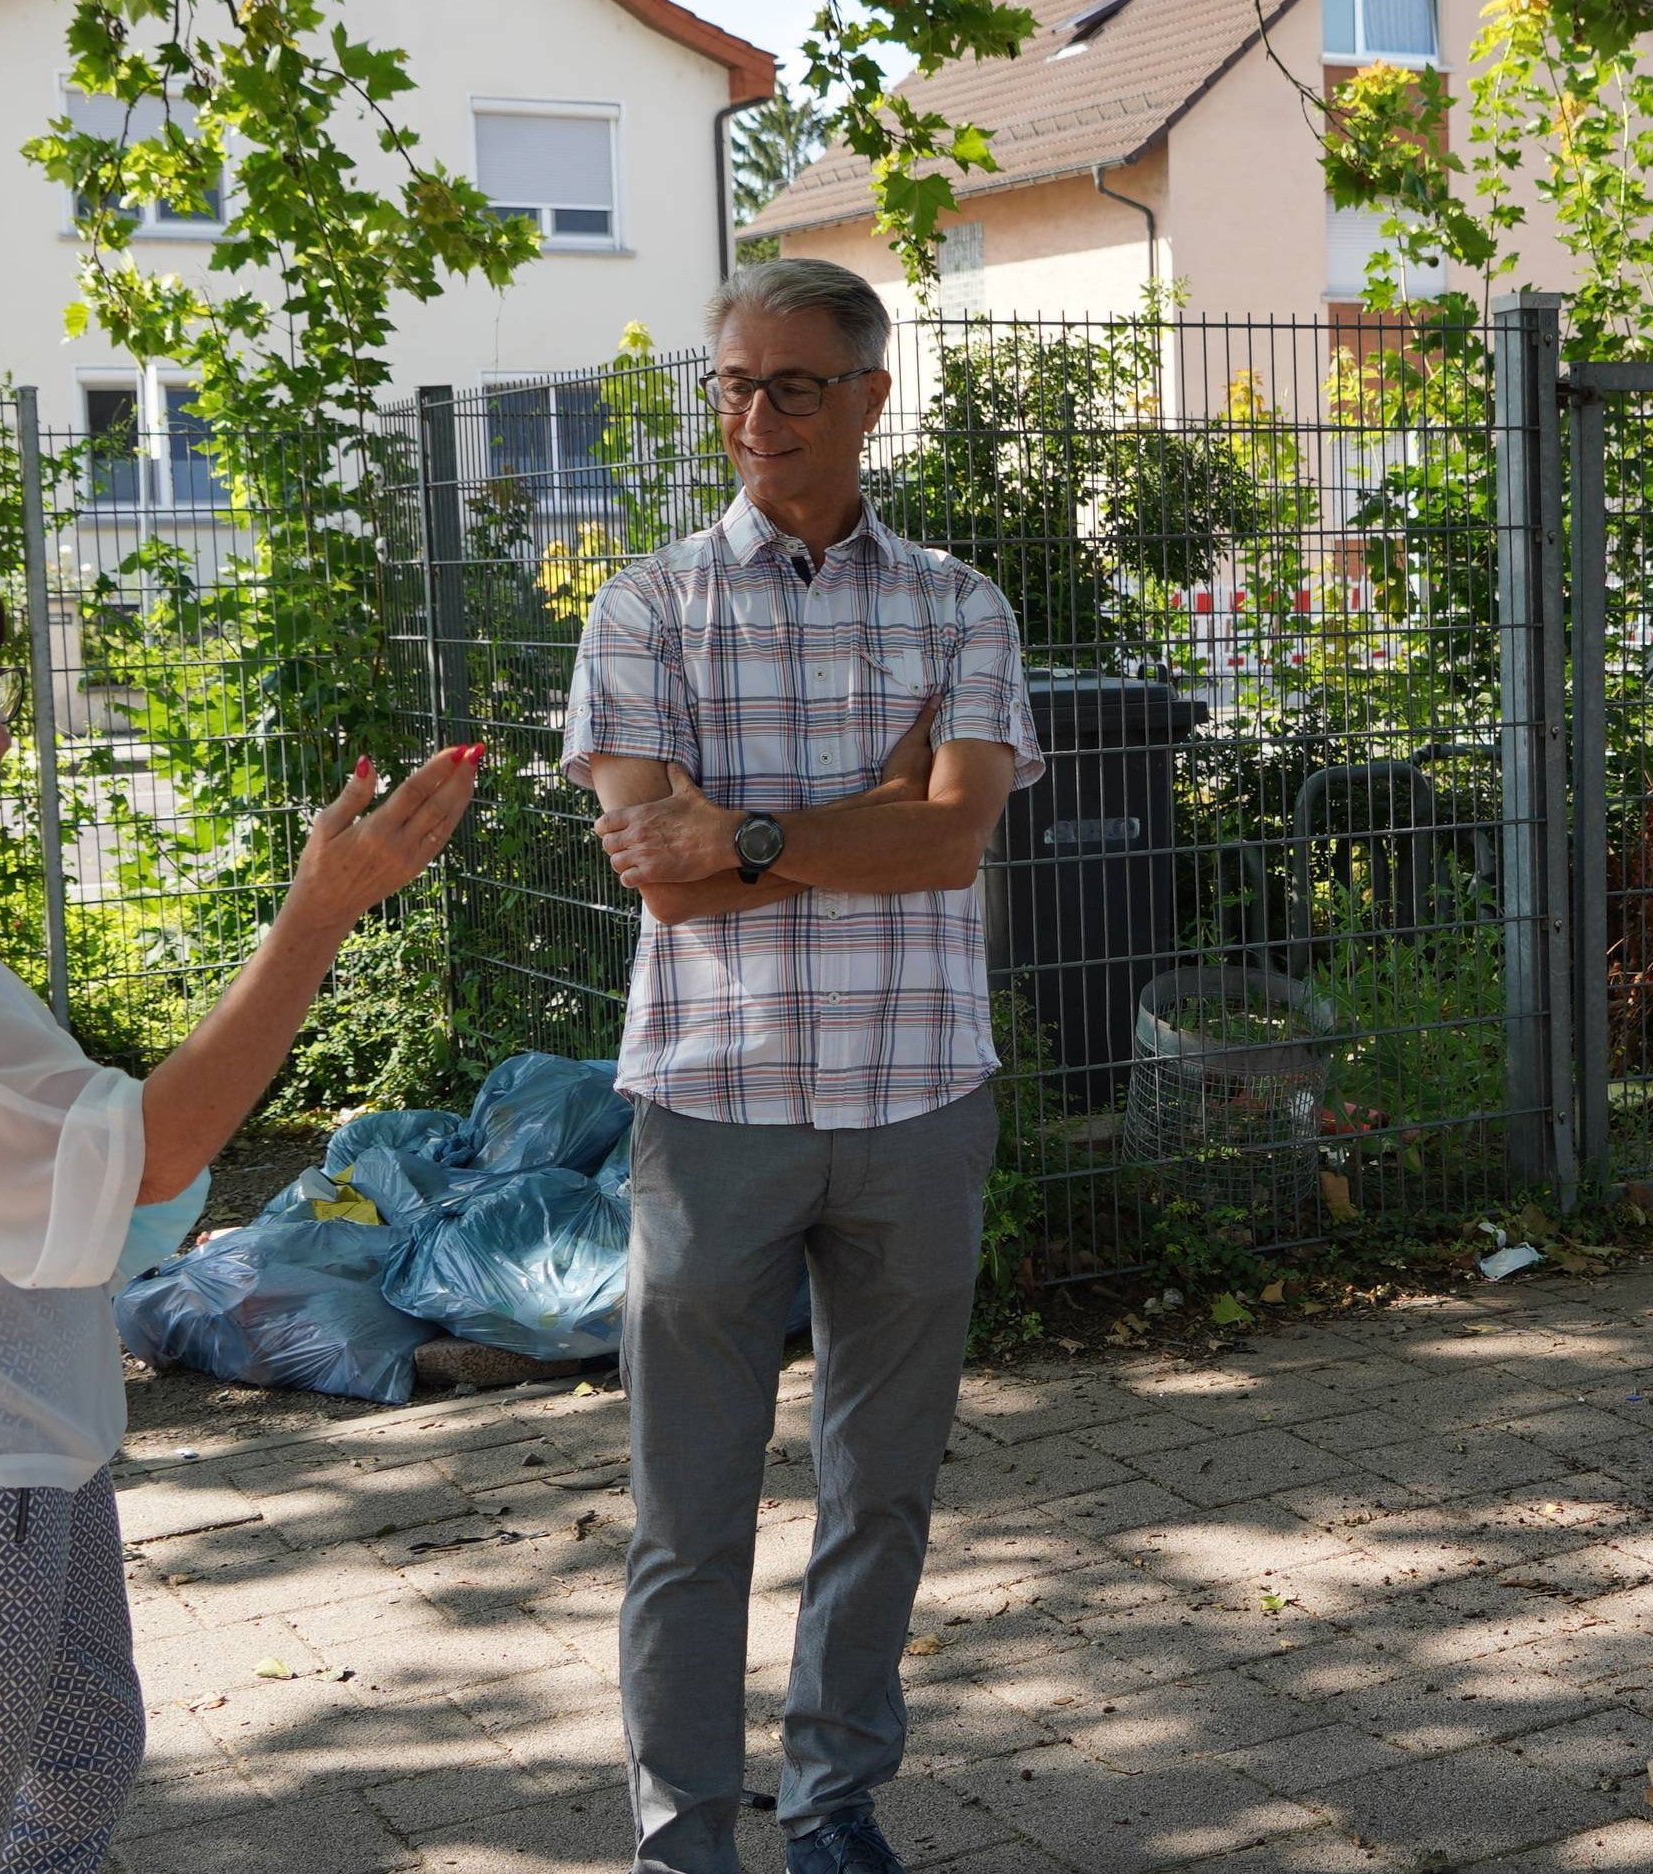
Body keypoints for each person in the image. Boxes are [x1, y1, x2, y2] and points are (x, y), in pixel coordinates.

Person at [0, 507, 479, 1873]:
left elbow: (72, 1161)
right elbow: (150, 1152)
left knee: (75, 1760)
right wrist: (319, 913)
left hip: (5, 1431)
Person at [558, 256, 1043, 1874]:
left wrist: (751, 828)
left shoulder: (962, 605)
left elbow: (953, 844)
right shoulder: (646, 608)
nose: (754, 415)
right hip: (714, 1104)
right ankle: (683, 1840)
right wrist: (867, 813)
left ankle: (835, 1810)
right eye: (734, 384)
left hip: (920, 1098)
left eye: (792, 384)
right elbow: (666, 880)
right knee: (688, 1518)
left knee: (880, 1495)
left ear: (869, 398)